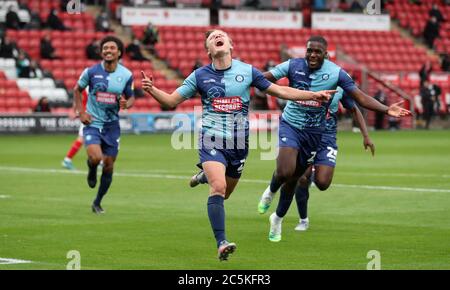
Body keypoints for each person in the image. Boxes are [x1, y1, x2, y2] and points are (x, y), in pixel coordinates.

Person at [141, 29, 335, 261]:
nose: (216, 38)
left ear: (231, 45)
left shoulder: (247, 71)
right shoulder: (199, 76)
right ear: (208, 50)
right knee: (219, 187)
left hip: (239, 143)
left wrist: (313, 96)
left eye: (221, 36)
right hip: (211, 139)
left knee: (225, 194)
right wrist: (152, 90)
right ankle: (221, 242)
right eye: (212, 38)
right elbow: (171, 100)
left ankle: (204, 175)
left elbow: (281, 90)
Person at [255, 36, 410, 242]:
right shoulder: (292, 65)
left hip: (316, 134)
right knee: (285, 172)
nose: (312, 55)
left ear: (325, 54)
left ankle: (277, 218)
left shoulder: (336, 74)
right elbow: (262, 79)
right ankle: (271, 191)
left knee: (309, 181)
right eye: (309, 50)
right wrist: (245, 79)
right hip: (291, 125)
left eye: (317, 52)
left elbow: (360, 99)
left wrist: (386, 109)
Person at [259, 88, 375, 234]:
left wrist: (366, 136)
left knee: (322, 183)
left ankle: (298, 180)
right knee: (300, 178)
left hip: (327, 139)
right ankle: (300, 219)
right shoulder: (305, 80)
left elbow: (354, 109)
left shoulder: (339, 85)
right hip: (305, 133)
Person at [74, 36, 135, 214]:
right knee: (96, 158)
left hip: (112, 125)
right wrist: (81, 112)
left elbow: (130, 96)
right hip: (93, 122)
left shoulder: (126, 75)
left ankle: (97, 202)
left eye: (112, 48)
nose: (108, 50)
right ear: (101, 52)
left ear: (119, 52)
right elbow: (76, 90)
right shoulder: (91, 72)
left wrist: (127, 104)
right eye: (105, 48)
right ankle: (91, 168)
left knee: (108, 165)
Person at [62, 89, 88, 170]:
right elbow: (78, 99)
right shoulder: (86, 87)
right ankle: (67, 159)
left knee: (84, 139)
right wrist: (75, 111)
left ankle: (67, 159)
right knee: (81, 139)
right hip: (88, 116)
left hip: (91, 116)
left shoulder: (88, 85)